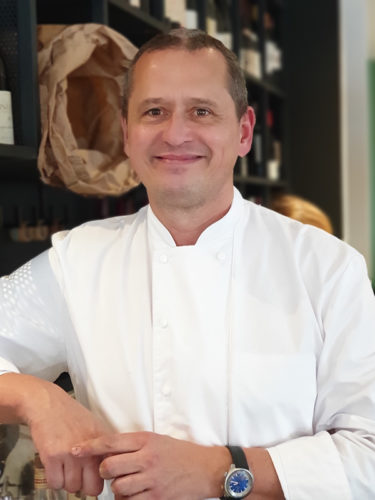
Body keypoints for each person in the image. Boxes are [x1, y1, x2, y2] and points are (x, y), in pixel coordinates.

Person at [0, 27, 375, 500]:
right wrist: (37, 398)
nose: (175, 133)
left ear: (242, 132)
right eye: (154, 111)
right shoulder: (78, 261)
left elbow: (369, 457)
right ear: (127, 134)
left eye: (202, 111)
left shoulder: (328, 267)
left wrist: (223, 470)